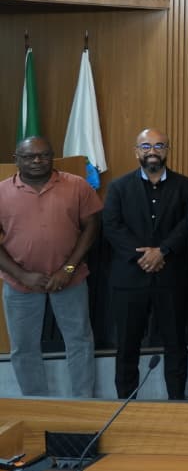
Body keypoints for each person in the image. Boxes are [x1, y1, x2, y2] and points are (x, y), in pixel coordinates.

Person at [0, 137, 102, 398]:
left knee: (79, 341)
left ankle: (83, 404)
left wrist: (67, 270)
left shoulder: (76, 185)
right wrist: (22, 275)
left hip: (71, 279)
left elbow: (92, 227)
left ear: (52, 157)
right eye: (29, 156)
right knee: (23, 348)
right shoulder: (1, 191)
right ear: (16, 159)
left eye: (44, 155)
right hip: (20, 284)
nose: (37, 160)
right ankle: (37, 404)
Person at [102, 128, 188, 400]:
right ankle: (126, 403)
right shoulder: (118, 187)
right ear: (136, 151)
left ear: (168, 150)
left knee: (176, 344)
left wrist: (163, 251)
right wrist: (142, 255)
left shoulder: (187, 186)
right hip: (130, 279)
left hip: (172, 278)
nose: (152, 151)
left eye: (159, 145)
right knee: (127, 346)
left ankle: (177, 402)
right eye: (146, 146)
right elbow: (111, 226)